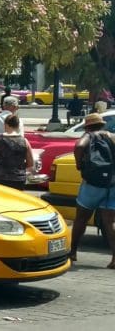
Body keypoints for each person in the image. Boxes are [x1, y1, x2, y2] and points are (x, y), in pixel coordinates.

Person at [69, 113, 115, 265]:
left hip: (93, 184)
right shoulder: (112, 136)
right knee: (109, 222)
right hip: (111, 184)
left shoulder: (89, 136)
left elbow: (79, 146)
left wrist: (79, 164)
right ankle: (114, 258)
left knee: (81, 218)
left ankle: (72, 252)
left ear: (88, 126)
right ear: (102, 124)